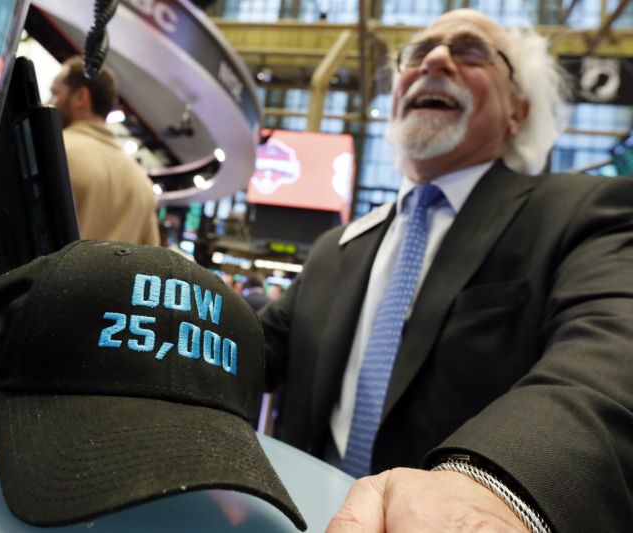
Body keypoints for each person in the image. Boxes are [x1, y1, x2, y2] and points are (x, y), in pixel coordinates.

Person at [259, 9, 633, 533]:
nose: (433, 59)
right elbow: (253, 350)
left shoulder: (580, 215)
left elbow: (612, 358)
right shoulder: (336, 248)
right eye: (417, 53)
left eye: (470, 51)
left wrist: (497, 485)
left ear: (517, 111)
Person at [50, 57, 160, 246]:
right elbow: (148, 261)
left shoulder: (55, 151)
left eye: (55, 94)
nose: (51, 103)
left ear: (81, 97)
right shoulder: (142, 184)